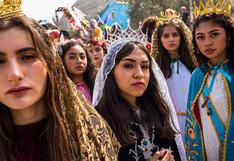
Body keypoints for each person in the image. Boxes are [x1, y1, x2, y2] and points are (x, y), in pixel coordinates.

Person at [0, 0, 120, 160]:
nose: (15, 74)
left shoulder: (86, 136)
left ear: (50, 63)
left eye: (27, 57)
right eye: (0, 62)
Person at [93, 38, 186, 160]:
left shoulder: (158, 109)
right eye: (129, 66)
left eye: (145, 67)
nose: (139, 74)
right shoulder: (99, 120)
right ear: (111, 71)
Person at [184, 0, 234, 160]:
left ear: (228, 35)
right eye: (200, 37)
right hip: (207, 150)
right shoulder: (197, 76)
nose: (207, 43)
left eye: (214, 34)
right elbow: (191, 120)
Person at [151, 9, 196, 139]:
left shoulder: (192, 65)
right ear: (159, 39)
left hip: (195, 121)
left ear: (181, 37)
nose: (171, 39)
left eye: (175, 35)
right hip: (170, 124)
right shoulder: (156, 69)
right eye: (166, 36)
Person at [59, 39, 95, 103]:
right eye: (72, 57)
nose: (79, 61)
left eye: (82, 57)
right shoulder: (58, 89)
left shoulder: (96, 84)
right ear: (63, 60)